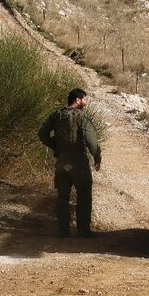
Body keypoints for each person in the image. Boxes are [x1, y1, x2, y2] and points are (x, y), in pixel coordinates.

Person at [39, 88, 102, 238]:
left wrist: (55, 146)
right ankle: (84, 232)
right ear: (78, 100)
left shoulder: (56, 115)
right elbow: (91, 140)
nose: (85, 103)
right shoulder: (81, 117)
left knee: (62, 197)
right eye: (84, 100)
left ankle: (63, 231)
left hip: (61, 162)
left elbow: (42, 134)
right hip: (79, 163)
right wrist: (97, 157)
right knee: (84, 196)